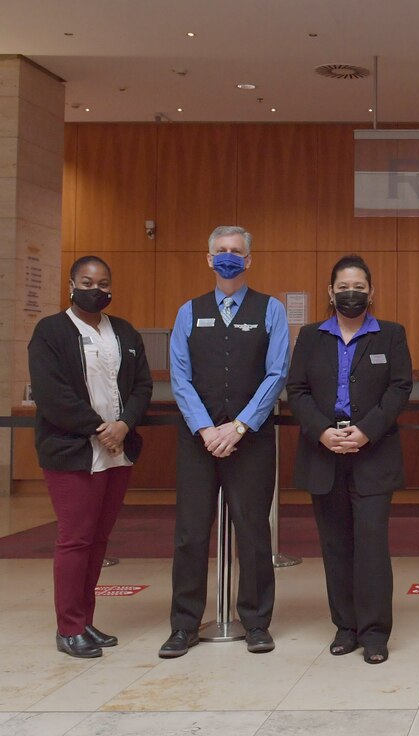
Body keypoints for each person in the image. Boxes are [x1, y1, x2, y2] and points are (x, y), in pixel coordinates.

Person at [160, 226, 290, 658]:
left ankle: (255, 622)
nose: (229, 257)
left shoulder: (270, 310)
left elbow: (276, 375)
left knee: (253, 532)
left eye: (236, 252)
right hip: (198, 440)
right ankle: (183, 625)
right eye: (222, 251)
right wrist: (205, 429)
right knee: (191, 533)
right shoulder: (187, 312)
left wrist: (237, 427)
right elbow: (180, 377)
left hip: (250, 440)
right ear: (209, 258)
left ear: (249, 260)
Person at [286, 255, 412, 664]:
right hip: (324, 453)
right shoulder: (309, 336)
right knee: (336, 545)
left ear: (371, 291)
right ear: (330, 292)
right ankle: (345, 627)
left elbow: (399, 387)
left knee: (371, 545)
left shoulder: (391, 334)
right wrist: (323, 431)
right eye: (343, 288)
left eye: (358, 287)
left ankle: (375, 632)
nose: (351, 294)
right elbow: (297, 390)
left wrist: (366, 430)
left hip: (373, 453)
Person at [28, 256, 152, 658]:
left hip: (118, 451)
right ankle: (69, 628)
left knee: (98, 540)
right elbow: (52, 394)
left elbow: (142, 387)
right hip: (74, 451)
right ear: (71, 284)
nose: (95, 289)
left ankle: (86, 621)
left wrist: (124, 424)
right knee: (75, 539)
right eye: (87, 281)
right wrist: (101, 429)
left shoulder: (126, 332)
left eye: (103, 282)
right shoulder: (50, 331)